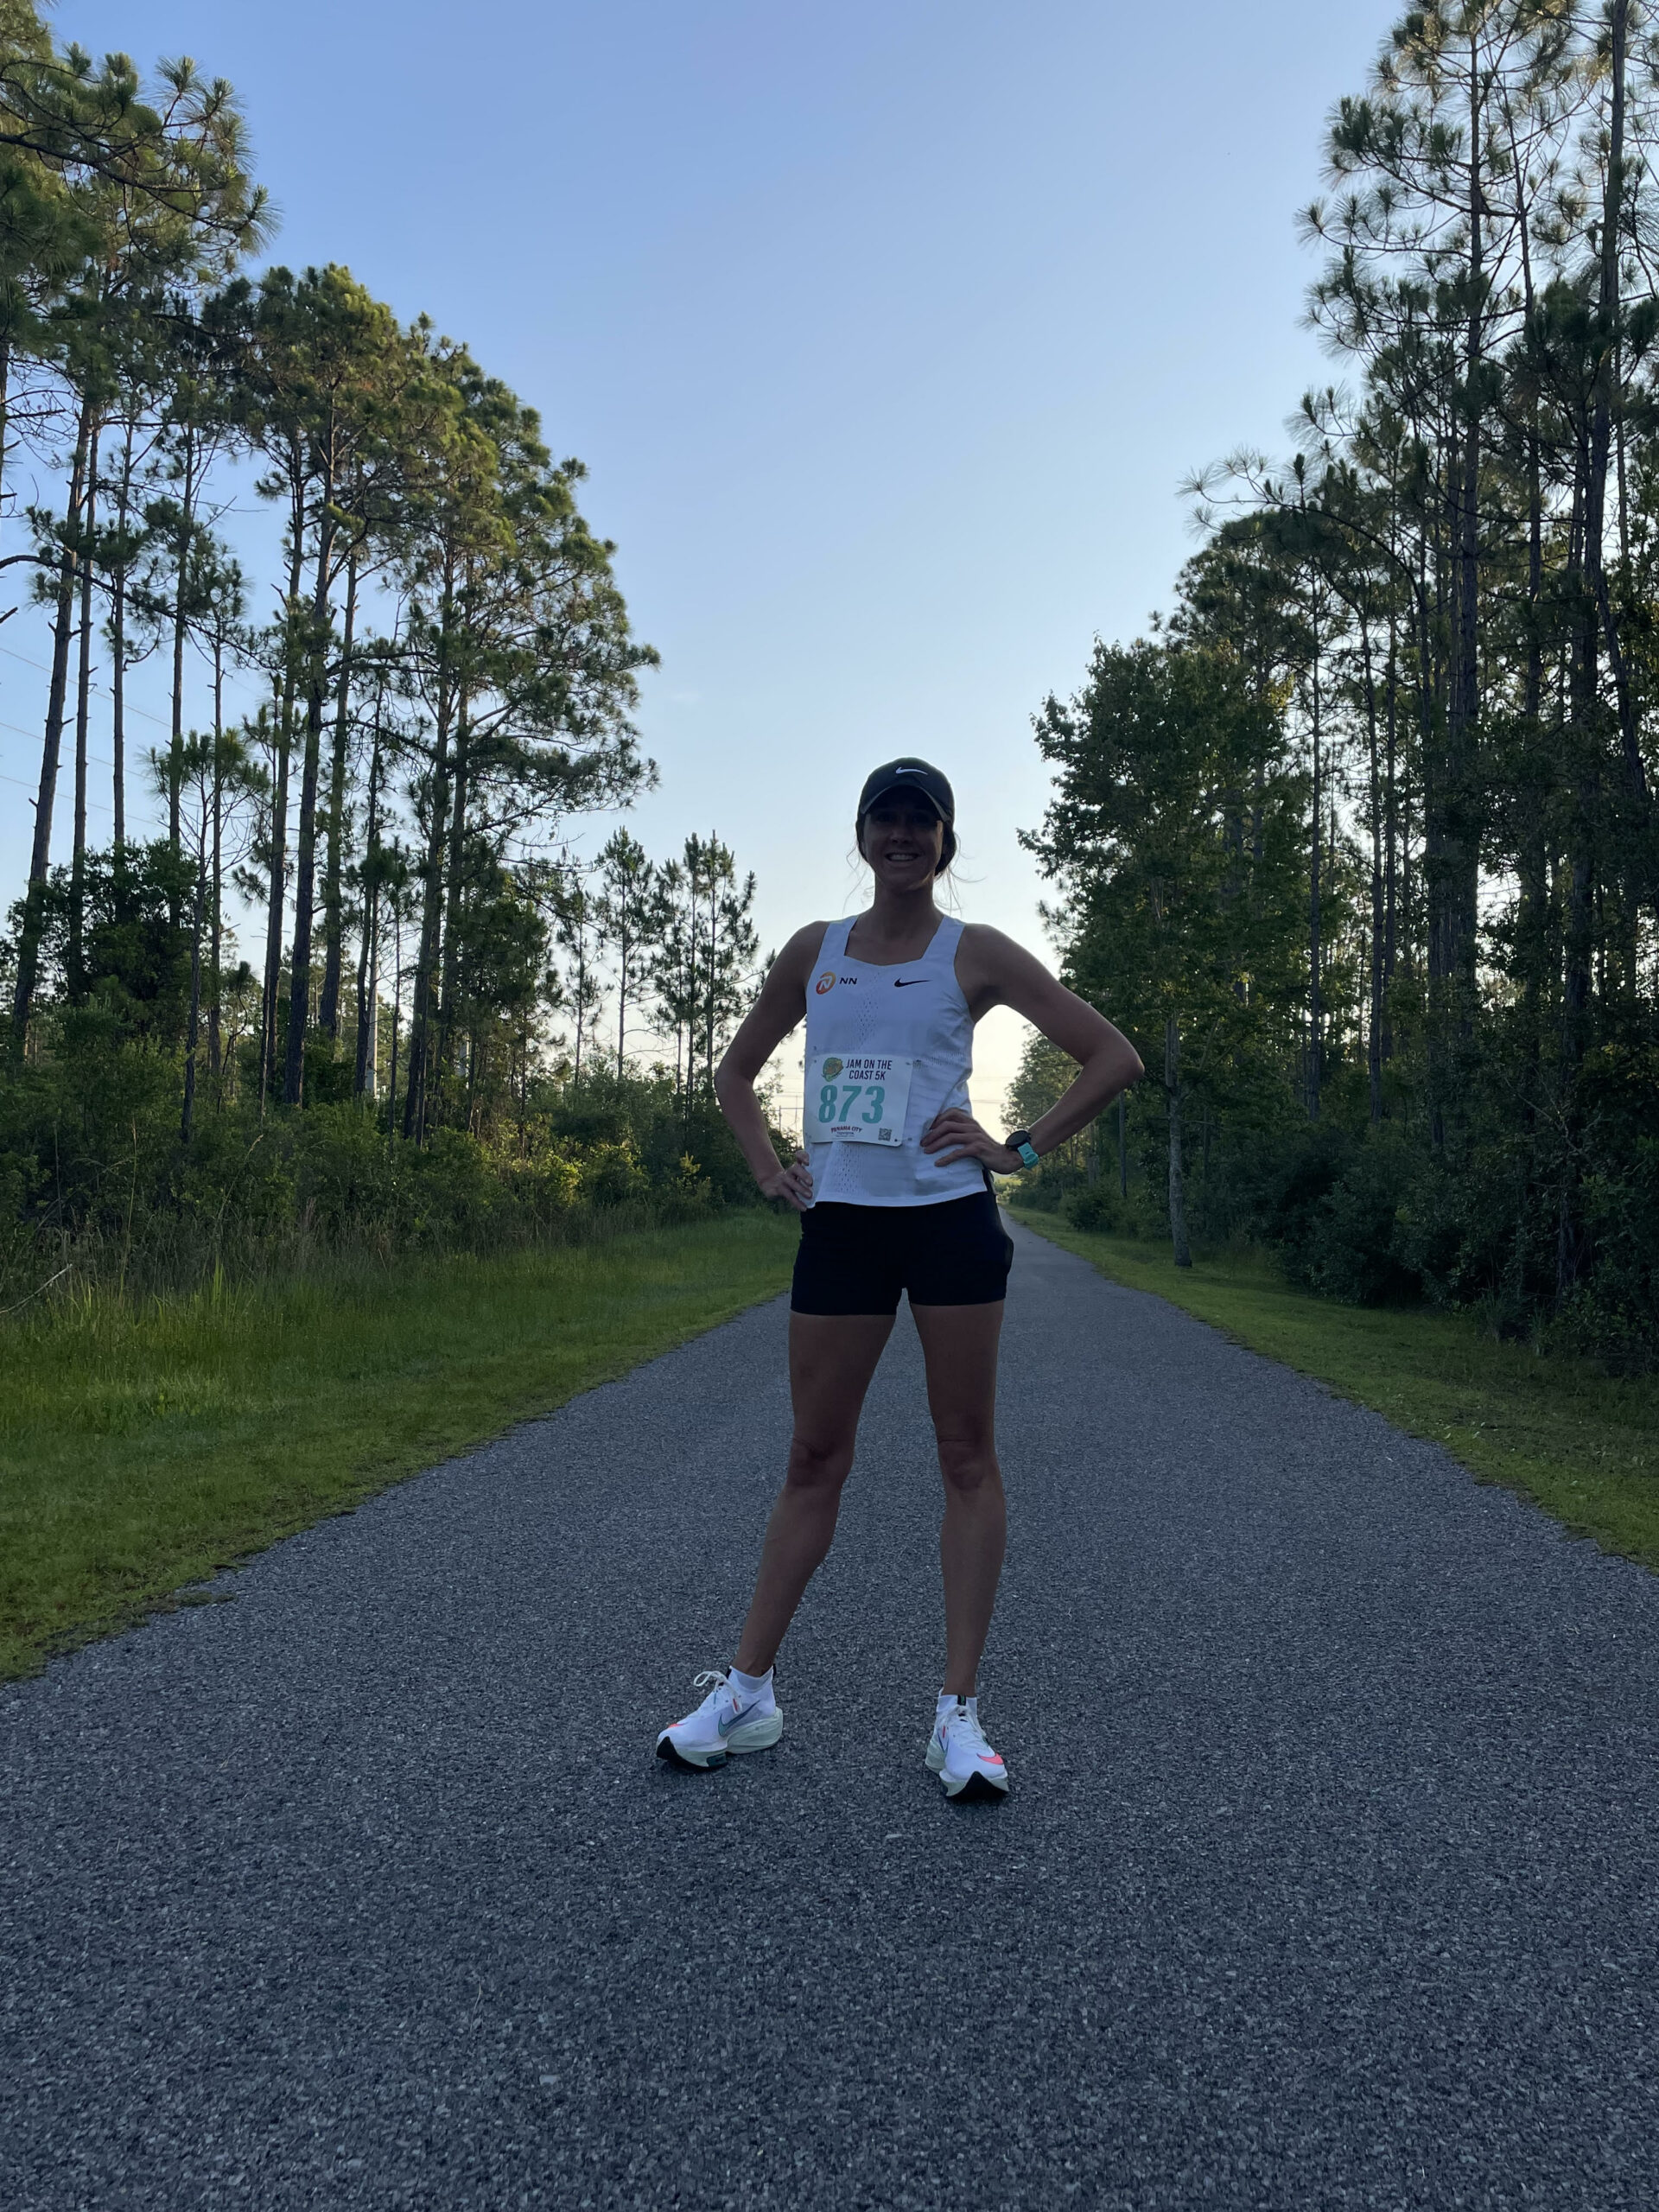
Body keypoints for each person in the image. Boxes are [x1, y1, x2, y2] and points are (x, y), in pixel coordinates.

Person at [654, 759, 1142, 1799]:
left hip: (950, 1228)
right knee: (811, 1458)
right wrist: (767, 1168)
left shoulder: (975, 953)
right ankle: (747, 1691)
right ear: (865, 833)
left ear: (946, 842)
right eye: (889, 817)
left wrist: (1022, 1147)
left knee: (966, 1458)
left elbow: (1112, 1055)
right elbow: (734, 1072)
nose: (905, 835)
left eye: (924, 821)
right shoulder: (814, 953)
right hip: (840, 1231)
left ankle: (957, 1714)